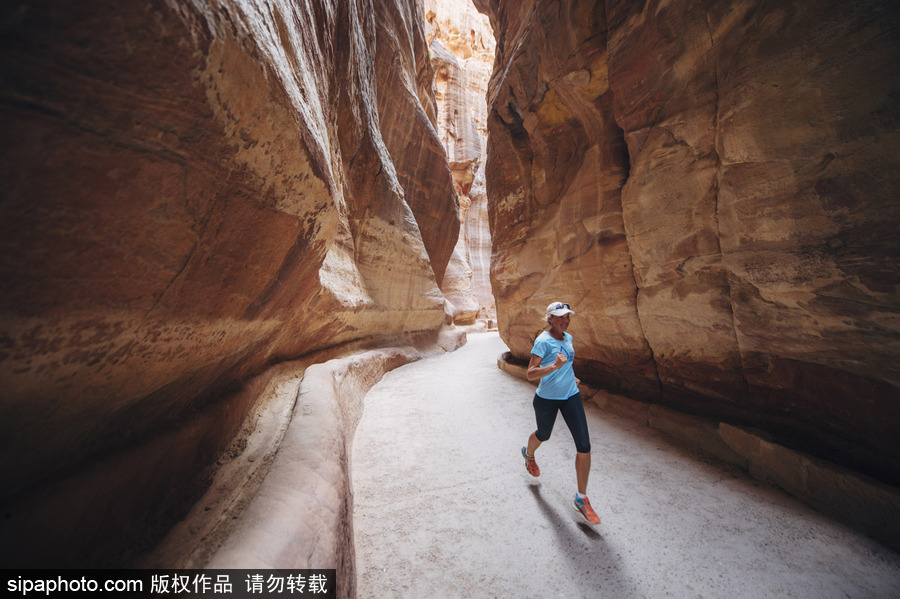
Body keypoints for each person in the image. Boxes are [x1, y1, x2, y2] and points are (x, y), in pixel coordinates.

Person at [521, 301, 601, 525]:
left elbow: (567, 361)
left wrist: (569, 375)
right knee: (543, 435)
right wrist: (554, 367)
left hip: (570, 395)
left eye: (567, 317)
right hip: (547, 399)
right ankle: (529, 454)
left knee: (584, 445)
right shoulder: (542, 341)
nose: (565, 321)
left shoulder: (568, 338)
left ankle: (581, 498)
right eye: (560, 317)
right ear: (550, 319)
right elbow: (530, 373)